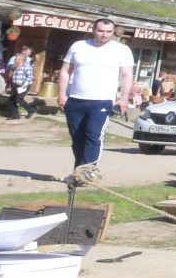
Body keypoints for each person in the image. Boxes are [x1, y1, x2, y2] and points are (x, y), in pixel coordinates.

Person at [55, 17, 133, 185]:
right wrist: (62, 94)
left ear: (113, 32)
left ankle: (88, 174)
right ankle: (78, 174)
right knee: (77, 139)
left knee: (93, 136)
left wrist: (124, 98)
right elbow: (65, 71)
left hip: (102, 101)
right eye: (101, 31)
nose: (104, 35)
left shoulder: (122, 50)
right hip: (76, 99)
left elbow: (126, 75)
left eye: (108, 32)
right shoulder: (78, 46)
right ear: (93, 30)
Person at [4, 46, 36, 118]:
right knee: (12, 99)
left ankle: (31, 110)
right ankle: (14, 115)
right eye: (15, 59)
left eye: (16, 59)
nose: (15, 60)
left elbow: (30, 76)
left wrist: (25, 84)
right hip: (15, 85)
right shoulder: (16, 66)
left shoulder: (26, 66)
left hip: (23, 85)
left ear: (21, 60)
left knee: (19, 99)